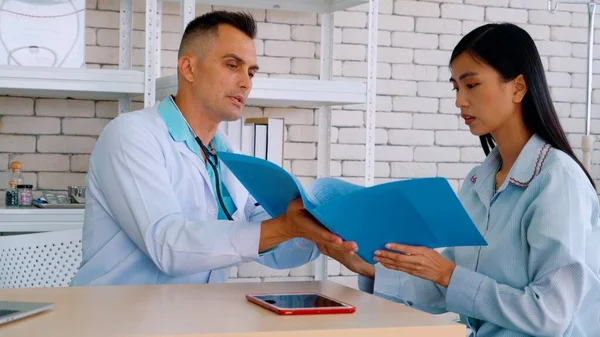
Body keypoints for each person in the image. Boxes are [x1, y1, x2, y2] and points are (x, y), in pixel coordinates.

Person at [319, 23, 600, 337]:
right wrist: (368, 268)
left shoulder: (557, 181)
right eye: (456, 87)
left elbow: (551, 314)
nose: (459, 101)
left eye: (472, 85)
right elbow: (446, 289)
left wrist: (449, 275)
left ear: (518, 87)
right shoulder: (478, 180)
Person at [70, 11, 356, 286]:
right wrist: (283, 228)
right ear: (189, 68)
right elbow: (167, 245)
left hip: (196, 317)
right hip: (116, 319)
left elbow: (273, 249)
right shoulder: (131, 135)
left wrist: (321, 237)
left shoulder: (228, 155)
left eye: (251, 72)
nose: (245, 83)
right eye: (232, 66)